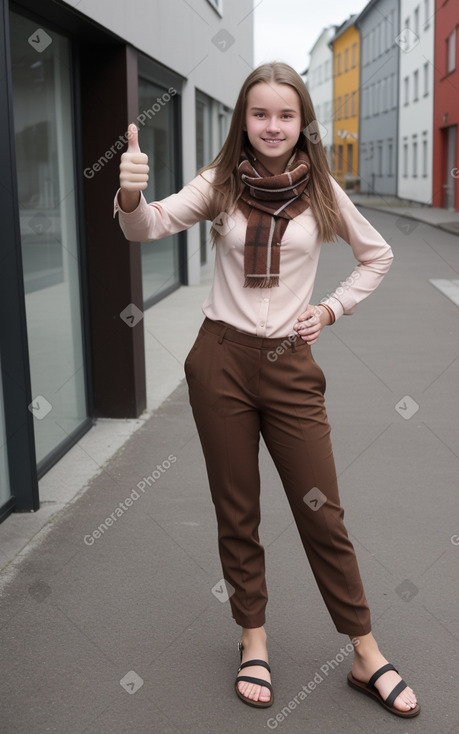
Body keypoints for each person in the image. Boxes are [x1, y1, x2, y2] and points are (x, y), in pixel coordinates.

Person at [114, 62, 420, 719]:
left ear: (300, 121)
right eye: (260, 114)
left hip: (288, 365)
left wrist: (331, 309)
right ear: (242, 121)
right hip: (219, 359)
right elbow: (145, 229)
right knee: (237, 507)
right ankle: (253, 640)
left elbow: (378, 256)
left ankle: (364, 652)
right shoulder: (218, 184)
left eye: (284, 115)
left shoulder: (322, 193)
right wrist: (132, 197)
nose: (272, 126)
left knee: (321, 510)